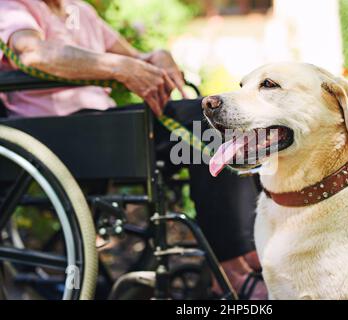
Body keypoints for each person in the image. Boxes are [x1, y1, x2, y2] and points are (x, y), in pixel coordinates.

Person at [0, 0, 266, 299]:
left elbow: (138, 58)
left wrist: (158, 57)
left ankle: (250, 253)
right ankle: (232, 270)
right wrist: (117, 67)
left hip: (102, 126)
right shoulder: (13, 7)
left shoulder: (78, 10)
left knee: (217, 123)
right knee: (199, 120)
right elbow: (33, 52)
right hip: (55, 130)